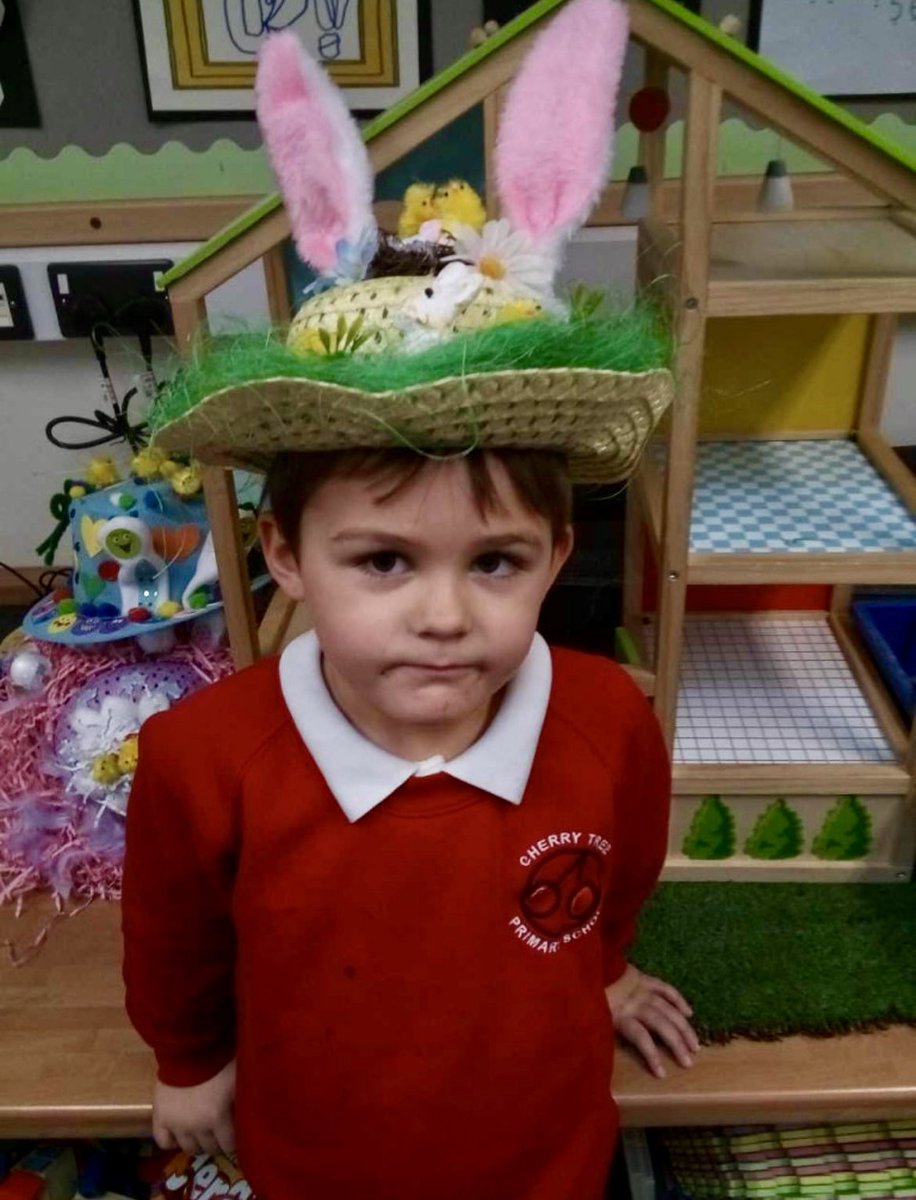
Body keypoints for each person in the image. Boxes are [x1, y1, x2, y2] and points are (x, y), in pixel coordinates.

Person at [122, 444, 699, 1200]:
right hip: (318, 1161)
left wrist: (606, 969)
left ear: (555, 557)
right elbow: (174, 937)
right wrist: (189, 1061)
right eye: (386, 561)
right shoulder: (202, 755)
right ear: (287, 555)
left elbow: (621, 873)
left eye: (495, 562)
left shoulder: (610, 717)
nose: (444, 619)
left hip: (547, 1155)